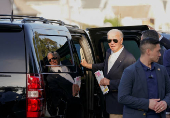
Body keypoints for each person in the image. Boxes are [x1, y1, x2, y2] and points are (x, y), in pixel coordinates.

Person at [81, 29, 136, 118]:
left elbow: (130, 83)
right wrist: (88, 65)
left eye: (115, 40)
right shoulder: (108, 52)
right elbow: (106, 66)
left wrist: (109, 82)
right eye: (109, 40)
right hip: (106, 103)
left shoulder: (129, 59)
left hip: (119, 106)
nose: (112, 43)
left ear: (121, 40)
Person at [118, 38, 170, 118]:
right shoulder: (130, 71)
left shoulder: (162, 70)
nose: (160, 54)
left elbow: (169, 93)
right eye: (158, 51)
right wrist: (147, 103)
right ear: (148, 51)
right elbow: (122, 97)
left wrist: (165, 102)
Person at [46, 52, 81, 118]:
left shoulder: (68, 63)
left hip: (83, 96)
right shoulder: (50, 77)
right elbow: (56, 93)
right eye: (50, 60)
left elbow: (78, 72)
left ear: (58, 57)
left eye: (53, 58)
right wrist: (72, 92)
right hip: (70, 104)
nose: (52, 61)